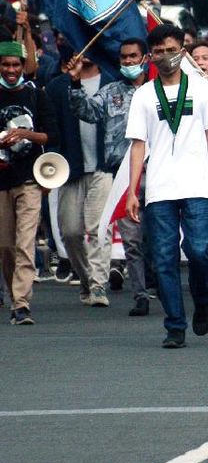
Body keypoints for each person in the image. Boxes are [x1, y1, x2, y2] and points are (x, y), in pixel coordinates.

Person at [124, 24, 208, 349]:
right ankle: (174, 325)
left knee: (197, 251)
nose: (165, 56)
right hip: (159, 187)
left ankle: (201, 298)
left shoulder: (200, 88)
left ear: (182, 52)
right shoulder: (144, 95)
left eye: (171, 50)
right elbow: (138, 145)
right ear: (150, 56)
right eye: (159, 52)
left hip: (198, 184)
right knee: (164, 258)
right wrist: (132, 191)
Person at [68, 38, 152, 316]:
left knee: (158, 237)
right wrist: (75, 83)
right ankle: (140, 294)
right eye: (124, 57)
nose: (128, 61)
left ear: (145, 58)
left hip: (157, 171)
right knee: (132, 239)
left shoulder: (157, 91)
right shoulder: (111, 91)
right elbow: (86, 111)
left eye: (133, 56)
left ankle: (163, 285)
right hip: (122, 174)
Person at [46, 54, 113, 307]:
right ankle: (86, 279)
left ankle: (98, 285)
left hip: (103, 167)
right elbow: (50, 128)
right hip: (70, 168)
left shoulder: (111, 82)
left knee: (98, 229)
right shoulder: (57, 87)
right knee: (71, 232)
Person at [0, 40, 58, 326]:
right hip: (2, 181)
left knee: (25, 242)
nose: (11, 70)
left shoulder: (37, 95)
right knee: (5, 246)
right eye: (6, 64)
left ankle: (21, 303)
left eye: (16, 65)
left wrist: (25, 134)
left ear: (24, 66)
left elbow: (51, 135)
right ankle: (14, 295)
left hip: (29, 179)